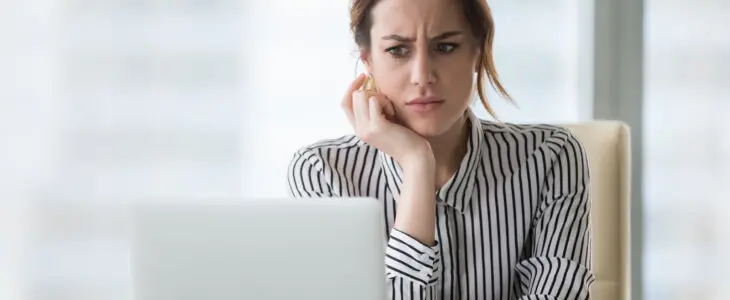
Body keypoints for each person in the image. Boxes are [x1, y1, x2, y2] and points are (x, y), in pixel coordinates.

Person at [287, 0, 594, 299]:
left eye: (445, 47)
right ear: (367, 60)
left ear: (478, 51)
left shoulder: (551, 157)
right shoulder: (322, 173)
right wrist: (417, 164)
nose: (422, 76)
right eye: (397, 50)